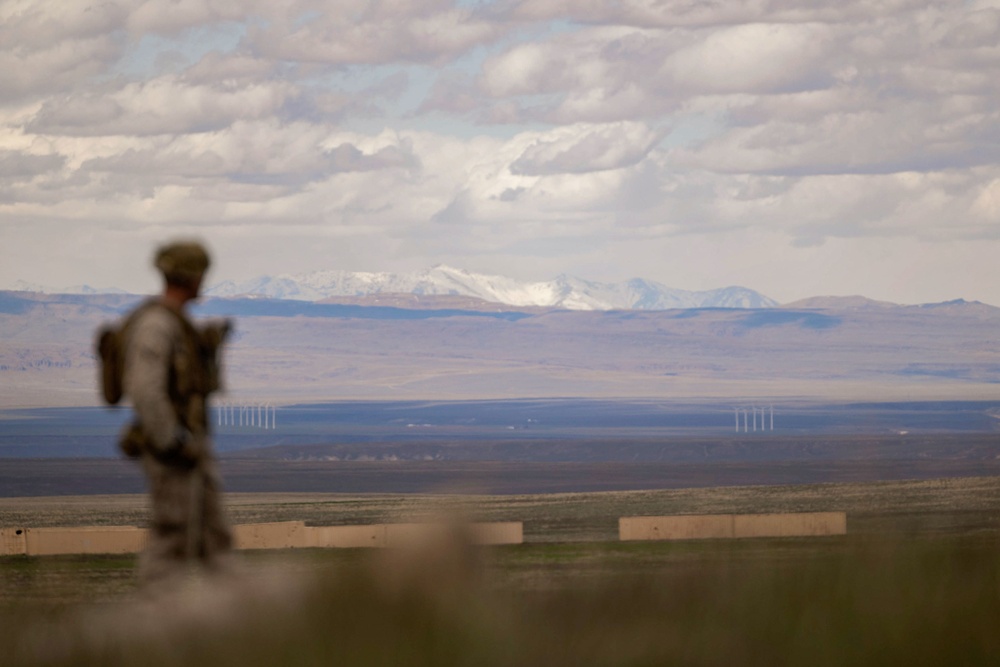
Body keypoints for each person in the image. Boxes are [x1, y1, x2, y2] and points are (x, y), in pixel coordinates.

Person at [121, 240, 234, 585]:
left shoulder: (176, 321)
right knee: (172, 537)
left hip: (190, 448)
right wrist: (171, 439)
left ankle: (233, 620)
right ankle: (154, 623)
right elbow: (145, 389)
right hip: (173, 451)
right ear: (192, 276)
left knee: (214, 538)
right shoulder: (158, 324)